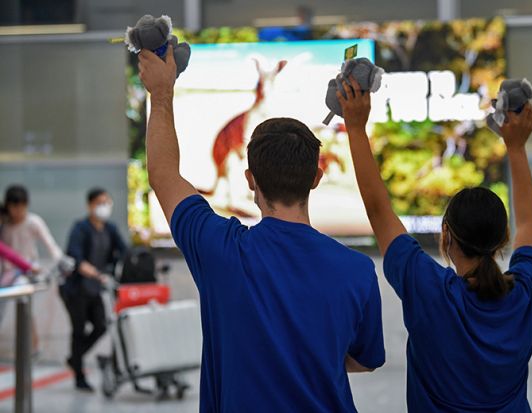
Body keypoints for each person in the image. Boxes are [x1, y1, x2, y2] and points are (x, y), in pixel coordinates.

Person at [138, 46, 385, 412]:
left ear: (251, 180)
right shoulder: (358, 270)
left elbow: (163, 175)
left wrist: (161, 95)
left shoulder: (220, 249)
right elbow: (365, 360)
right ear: (316, 178)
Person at [338, 77, 532, 412]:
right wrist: (517, 148)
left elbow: (378, 209)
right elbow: (530, 224)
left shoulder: (430, 291)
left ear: (445, 236)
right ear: (502, 240)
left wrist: (356, 126)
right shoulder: (526, 295)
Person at [61, 188, 127, 392]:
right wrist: (97, 274)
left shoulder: (110, 229)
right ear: (90, 205)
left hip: (95, 288)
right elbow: (76, 259)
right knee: (79, 331)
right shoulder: (80, 228)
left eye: (107, 202)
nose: (104, 206)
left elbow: (124, 251)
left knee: (101, 325)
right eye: (100, 202)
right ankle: (79, 376)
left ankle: (74, 358)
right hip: (76, 288)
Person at [0, 185, 64, 353]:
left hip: (27, 272)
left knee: (25, 305)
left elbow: (49, 244)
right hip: (8, 273)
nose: (18, 211)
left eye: (21, 206)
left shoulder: (33, 222)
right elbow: (7, 253)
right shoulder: (4, 224)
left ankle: (32, 346)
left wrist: (59, 260)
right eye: (14, 207)